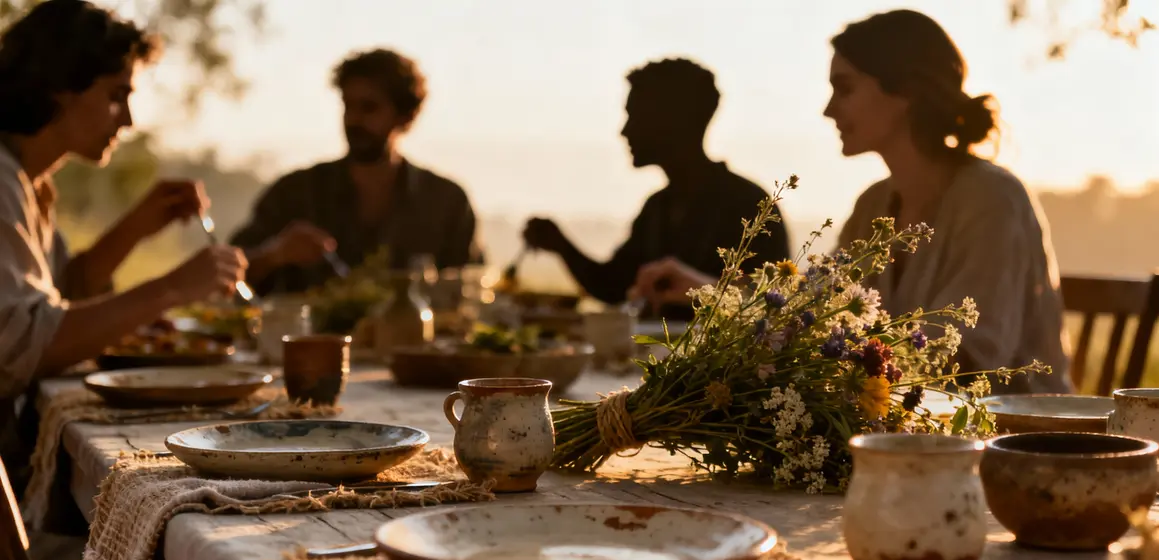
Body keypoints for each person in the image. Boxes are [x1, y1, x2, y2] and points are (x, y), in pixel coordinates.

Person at [633, 11, 1072, 394]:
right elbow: (810, 310)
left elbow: (965, 359)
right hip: (905, 430)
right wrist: (705, 289)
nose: (828, 110)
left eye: (844, 89)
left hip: (1012, 439)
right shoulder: (874, 205)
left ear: (906, 91)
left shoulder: (993, 199)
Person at [0, 2, 247, 560]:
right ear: (62, 85)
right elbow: (24, 344)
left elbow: (54, 293)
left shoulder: (27, 182)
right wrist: (173, 286)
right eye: (116, 95)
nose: (128, 118)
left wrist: (135, 227)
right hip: (7, 551)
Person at [521, 58, 790, 319]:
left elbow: (773, 305)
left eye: (635, 116)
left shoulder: (750, 206)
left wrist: (700, 289)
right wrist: (561, 245)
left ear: (671, 121)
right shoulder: (657, 207)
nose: (625, 131)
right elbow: (616, 285)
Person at [231, 48, 483, 295]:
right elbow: (228, 273)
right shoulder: (295, 193)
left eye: (369, 107)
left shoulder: (446, 203)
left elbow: (473, 288)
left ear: (404, 117)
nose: (354, 120)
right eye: (348, 106)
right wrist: (274, 254)